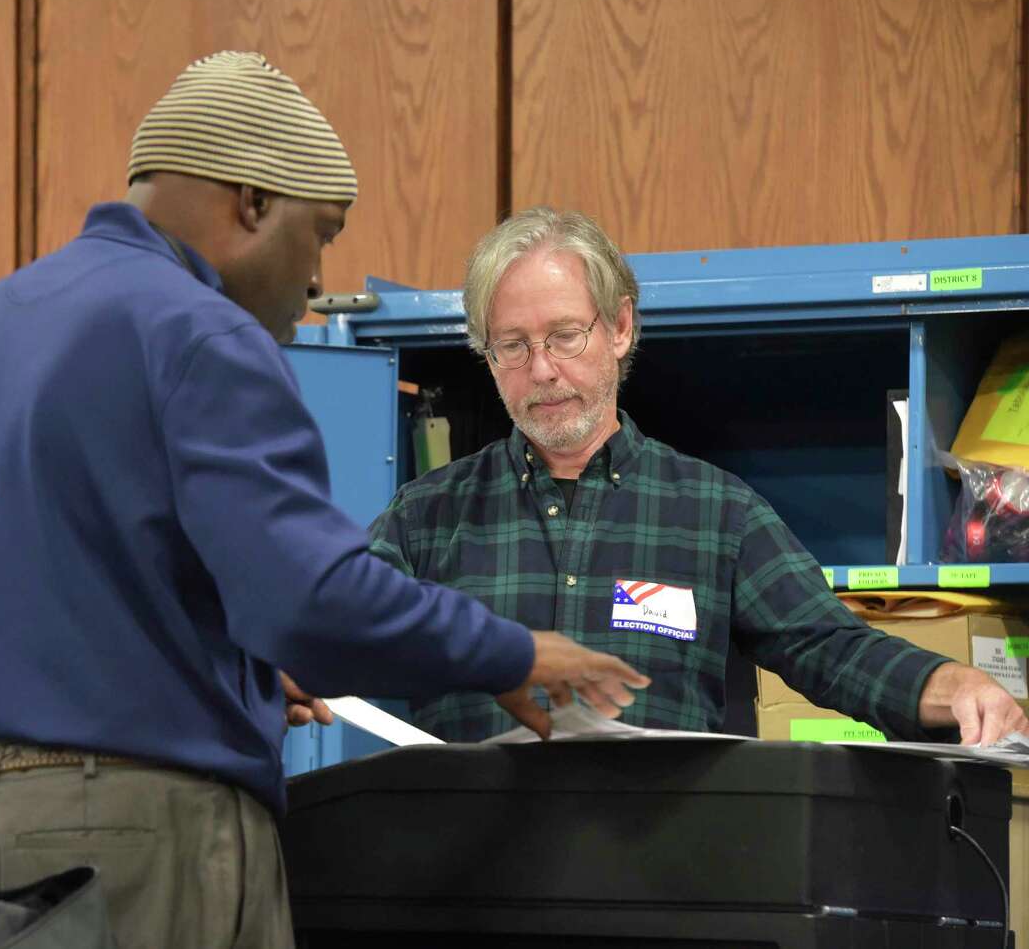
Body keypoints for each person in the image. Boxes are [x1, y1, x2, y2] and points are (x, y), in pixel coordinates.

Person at [0, 55, 647, 949]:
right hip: (128, 846)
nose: (316, 281)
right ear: (251, 203)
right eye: (320, 234)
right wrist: (512, 653)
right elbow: (313, 600)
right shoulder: (199, 333)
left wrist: (207, 670)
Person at [368, 206, 1029, 747]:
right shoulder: (426, 517)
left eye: (565, 335)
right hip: (472, 889)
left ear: (621, 326)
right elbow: (332, 619)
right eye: (512, 345)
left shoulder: (717, 513)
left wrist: (957, 685)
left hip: (660, 888)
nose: (541, 369)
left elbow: (832, 647)